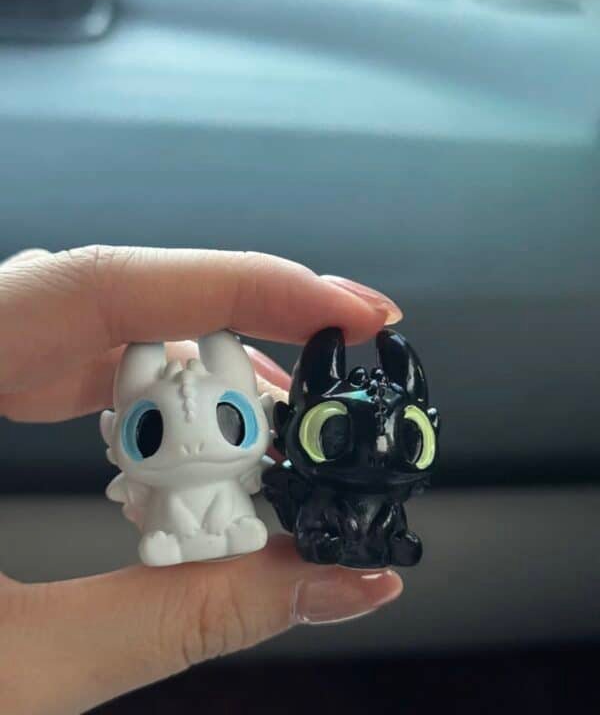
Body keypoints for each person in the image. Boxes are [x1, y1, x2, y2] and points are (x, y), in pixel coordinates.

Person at [0, 246, 404, 714]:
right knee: (174, 518)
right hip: (171, 519)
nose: (193, 447)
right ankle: (179, 538)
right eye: (150, 430)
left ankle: (226, 530)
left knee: (232, 515)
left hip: (227, 508)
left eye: (230, 422)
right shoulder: (157, 472)